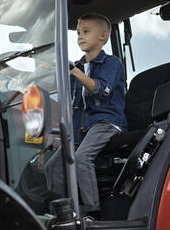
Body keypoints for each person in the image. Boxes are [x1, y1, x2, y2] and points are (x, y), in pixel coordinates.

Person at [70, 13, 127, 220]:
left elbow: (101, 90)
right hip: (82, 127)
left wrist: (75, 72)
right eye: (78, 33)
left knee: (82, 157)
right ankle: (64, 209)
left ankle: (93, 213)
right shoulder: (77, 66)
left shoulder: (112, 63)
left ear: (103, 36)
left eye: (86, 32)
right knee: (54, 164)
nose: (80, 37)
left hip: (107, 122)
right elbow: (72, 103)